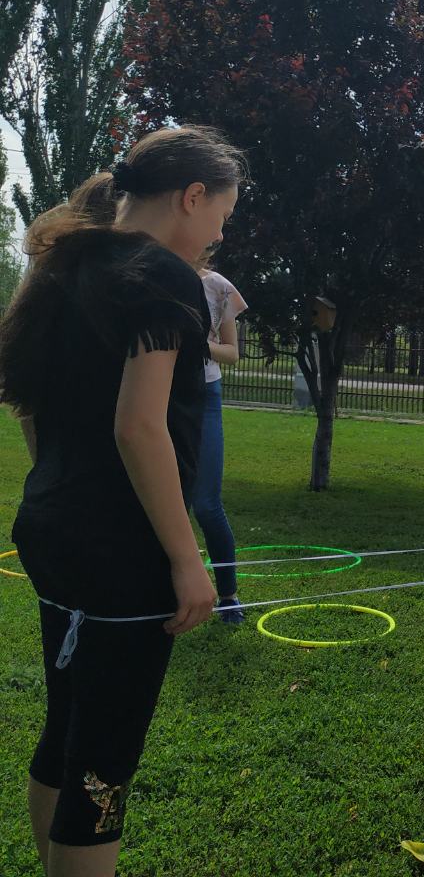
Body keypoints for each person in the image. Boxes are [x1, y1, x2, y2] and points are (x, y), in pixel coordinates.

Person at [0, 126, 244, 876]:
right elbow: (140, 427)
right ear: (192, 197)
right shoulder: (163, 277)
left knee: (67, 727)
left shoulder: (65, 262)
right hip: (122, 555)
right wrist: (187, 560)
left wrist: (64, 487)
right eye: (222, 216)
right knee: (104, 763)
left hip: (52, 528)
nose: (219, 235)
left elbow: (27, 402)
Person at [194, 244, 249, 624]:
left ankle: (228, 597)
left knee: (206, 505)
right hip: (159, 395)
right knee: (165, 503)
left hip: (204, 394)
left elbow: (232, 353)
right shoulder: (148, 276)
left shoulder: (217, 286)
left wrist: (197, 343)